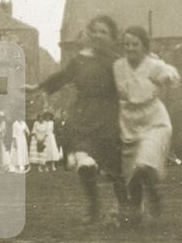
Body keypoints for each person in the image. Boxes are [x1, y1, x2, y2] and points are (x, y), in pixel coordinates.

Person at [24, 14, 128, 223]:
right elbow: (62, 77)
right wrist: (38, 87)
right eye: (95, 31)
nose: (98, 35)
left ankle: (127, 207)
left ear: (112, 37)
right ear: (89, 34)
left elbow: (130, 85)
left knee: (116, 168)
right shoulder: (79, 60)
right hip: (83, 115)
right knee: (84, 161)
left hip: (109, 116)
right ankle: (94, 208)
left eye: (104, 32)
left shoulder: (116, 62)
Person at [112, 26, 180, 225]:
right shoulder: (117, 66)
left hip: (153, 120)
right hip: (128, 121)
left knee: (145, 162)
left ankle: (152, 191)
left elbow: (170, 73)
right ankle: (136, 209)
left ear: (143, 46)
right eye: (127, 44)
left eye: (135, 44)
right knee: (132, 172)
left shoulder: (154, 64)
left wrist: (168, 77)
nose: (131, 48)